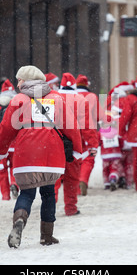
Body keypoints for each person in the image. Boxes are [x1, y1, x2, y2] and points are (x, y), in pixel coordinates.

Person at [0, 65, 82, 248]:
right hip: (51, 154)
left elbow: (6, 130)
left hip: (26, 154)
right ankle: (46, 236)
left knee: (27, 192)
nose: (17, 84)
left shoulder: (18, 100)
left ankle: (19, 221)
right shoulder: (57, 99)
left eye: (19, 80)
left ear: (25, 81)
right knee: (48, 194)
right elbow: (71, 127)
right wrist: (77, 150)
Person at [55, 73, 89, 215]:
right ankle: (70, 208)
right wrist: (92, 143)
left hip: (55, 144)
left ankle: (50, 205)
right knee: (72, 178)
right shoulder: (81, 100)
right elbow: (88, 126)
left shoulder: (53, 98)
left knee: (54, 179)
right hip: (75, 144)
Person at [75, 74, 99, 195]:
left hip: (73, 130)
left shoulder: (72, 96)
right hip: (89, 130)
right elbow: (98, 115)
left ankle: (76, 184)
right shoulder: (92, 96)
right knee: (89, 156)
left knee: (76, 157)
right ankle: (83, 179)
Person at [99, 121, 123, 190]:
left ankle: (107, 184)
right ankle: (113, 179)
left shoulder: (101, 133)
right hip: (115, 154)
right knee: (114, 168)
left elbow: (98, 141)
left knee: (105, 170)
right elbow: (121, 142)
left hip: (105, 155)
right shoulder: (116, 132)